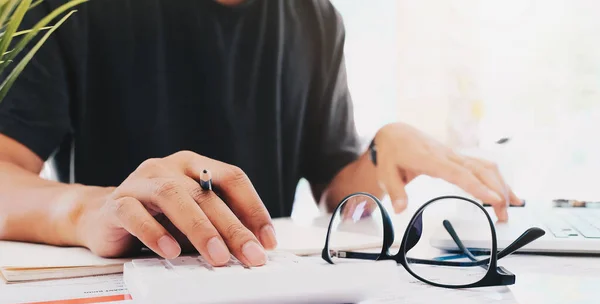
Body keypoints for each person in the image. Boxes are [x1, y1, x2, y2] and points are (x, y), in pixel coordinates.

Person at [0, 0, 521, 268]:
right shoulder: (71, 9)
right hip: (124, 287)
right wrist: (94, 209)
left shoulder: (314, 16)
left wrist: (385, 149)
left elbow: (336, 186)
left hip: (258, 285)